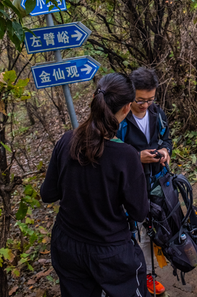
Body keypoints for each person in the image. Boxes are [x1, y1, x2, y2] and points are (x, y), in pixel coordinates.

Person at [41, 73, 149, 297]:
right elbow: (139, 211)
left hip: (67, 243)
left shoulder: (67, 140)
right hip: (111, 250)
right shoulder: (126, 156)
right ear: (127, 108)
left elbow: (48, 194)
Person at [117, 67, 173, 296]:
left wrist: (165, 151)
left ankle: (149, 275)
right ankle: (134, 277)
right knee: (133, 233)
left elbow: (167, 138)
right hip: (130, 187)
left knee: (153, 231)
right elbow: (112, 151)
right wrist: (136, 157)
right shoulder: (121, 119)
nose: (145, 105)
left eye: (150, 99)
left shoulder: (157, 114)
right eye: (140, 100)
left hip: (156, 184)